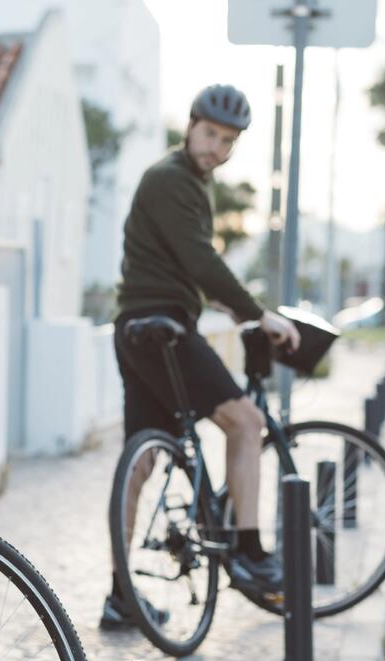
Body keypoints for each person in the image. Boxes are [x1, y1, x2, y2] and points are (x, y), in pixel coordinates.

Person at [103, 83, 302, 630]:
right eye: (210, 134)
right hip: (162, 329)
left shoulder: (188, 184)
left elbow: (185, 268)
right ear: (190, 125)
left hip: (138, 329)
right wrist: (255, 313)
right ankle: (250, 551)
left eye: (228, 141)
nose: (216, 147)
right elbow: (199, 261)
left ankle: (121, 596)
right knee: (246, 421)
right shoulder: (171, 180)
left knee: (140, 462)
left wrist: (236, 307)